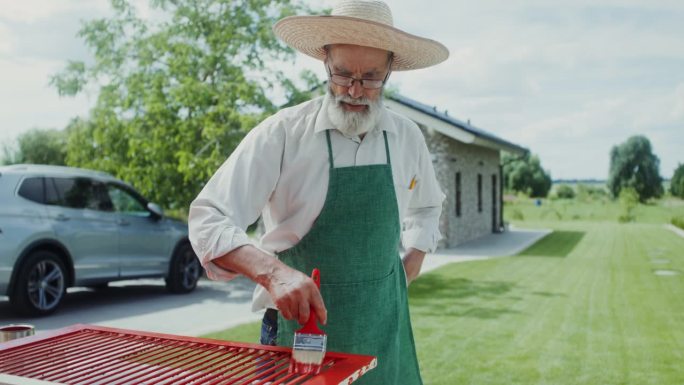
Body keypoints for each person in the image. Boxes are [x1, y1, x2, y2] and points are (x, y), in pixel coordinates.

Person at [188, 0, 448, 383]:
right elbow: (208, 216)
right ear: (325, 61)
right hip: (302, 336)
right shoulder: (283, 134)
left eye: (371, 77)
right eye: (343, 74)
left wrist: (415, 255)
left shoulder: (407, 137)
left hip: (383, 332)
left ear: (391, 69)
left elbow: (428, 207)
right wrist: (273, 273)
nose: (355, 91)